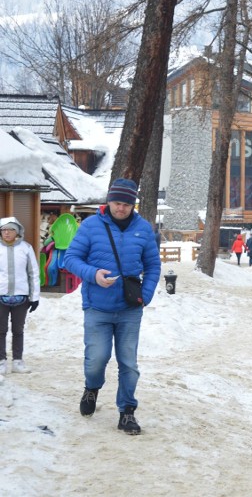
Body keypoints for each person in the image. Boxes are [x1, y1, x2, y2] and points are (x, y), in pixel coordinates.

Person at [63, 178, 162, 435]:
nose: (121, 208)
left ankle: (127, 411)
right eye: (117, 203)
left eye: (127, 204)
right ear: (109, 201)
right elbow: (71, 258)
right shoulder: (91, 226)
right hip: (97, 307)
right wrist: (93, 274)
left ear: (133, 205)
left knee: (128, 362)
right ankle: (92, 388)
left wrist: (146, 295)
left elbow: (153, 266)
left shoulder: (143, 229)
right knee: (97, 359)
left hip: (130, 309)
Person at [0, 217, 40, 376]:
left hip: (21, 297)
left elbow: (33, 273)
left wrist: (34, 296)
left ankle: (17, 361)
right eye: (3, 230)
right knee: (0, 330)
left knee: (18, 330)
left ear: (17, 231)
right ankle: (1, 361)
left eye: (10, 230)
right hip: (1, 295)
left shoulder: (26, 248)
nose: (6, 233)